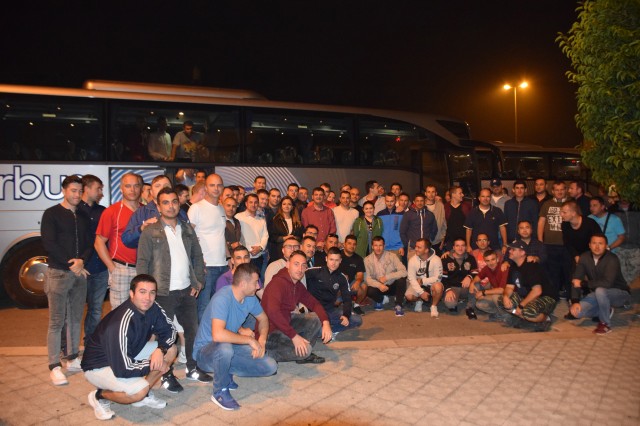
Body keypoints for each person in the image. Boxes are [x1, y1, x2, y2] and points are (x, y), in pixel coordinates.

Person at [136, 188, 212, 393]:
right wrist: (145, 291)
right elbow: (142, 262)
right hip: (162, 292)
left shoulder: (187, 229)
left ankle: (192, 368)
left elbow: (197, 256)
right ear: (158, 206)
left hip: (186, 290)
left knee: (192, 330)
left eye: (174, 202)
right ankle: (166, 375)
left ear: (179, 204)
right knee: (165, 335)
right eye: (166, 202)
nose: (171, 206)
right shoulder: (150, 231)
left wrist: (198, 282)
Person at [81, 274, 177, 420]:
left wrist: (161, 349)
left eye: (152, 292)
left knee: (171, 350)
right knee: (139, 391)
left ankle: (143, 395)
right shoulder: (121, 323)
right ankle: (99, 395)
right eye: (142, 292)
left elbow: (170, 330)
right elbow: (123, 369)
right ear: (131, 293)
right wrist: (154, 364)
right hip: (100, 366)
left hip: (128, 355)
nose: (147, 298)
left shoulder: (152, 307)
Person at [193, 263, 277, 410]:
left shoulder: (249, 297)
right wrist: (250, 340)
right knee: (225, 348)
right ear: (243, 284)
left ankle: (226, 372)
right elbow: (218, 335)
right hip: (205, 353)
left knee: (270, 366)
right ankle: (219, 391)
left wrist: (262, 340)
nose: (258, 286)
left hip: (228, 347)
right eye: (255, 282)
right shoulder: (222, 298)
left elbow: (263, 319)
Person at [41, 175, 92, 385]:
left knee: (75, 319)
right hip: (58, 273)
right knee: (56, 321)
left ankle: (72, 358)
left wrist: (82, 261)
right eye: (73, 190)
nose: (77, 195)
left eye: (80, 191)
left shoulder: (83, 215)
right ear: (64, 190)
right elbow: (49, 243)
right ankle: (54, 366)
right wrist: (72, 263)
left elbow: (89, 243)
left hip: (79, 274)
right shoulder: (51, 214)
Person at [261, 250, 332, 363]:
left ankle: (300, 350)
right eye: (296, 264)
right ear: (288, 264)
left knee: (316, 318)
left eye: (303, 265)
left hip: (286, 324)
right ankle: (268, 353)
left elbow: (314, 304)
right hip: (269, 333)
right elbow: (273, 312)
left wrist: (326, 322)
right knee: (306, 350)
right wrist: (294, 336)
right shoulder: (278, 283)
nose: (300, 269)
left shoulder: (296, 284)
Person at [95, 173, 143, 310]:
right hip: (122, 268)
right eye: (128, 186)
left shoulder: (146, 211)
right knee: (120, 313)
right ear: (121, 188)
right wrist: (113, 268)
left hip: (144, 268)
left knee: (143, 311)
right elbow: (99, 242)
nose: (132, 190)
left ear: (140, 188)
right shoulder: (112, 211)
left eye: (136, 186)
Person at [568, 234, 631, 334]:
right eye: (594, 243)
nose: (597, 247)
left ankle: (605, 324)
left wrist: (583, 284)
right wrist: (575, 301)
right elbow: (576, 280)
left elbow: (607, 283)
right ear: (589, 245)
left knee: (600, 290)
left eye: (600, 243)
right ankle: (606, 310)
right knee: (576, 312)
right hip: (598, 294)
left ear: (606, 246)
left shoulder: (612, 259)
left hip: (619, 294)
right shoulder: (584, 257)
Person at [188, 173, 229, 322]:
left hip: (223, 266)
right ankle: (201, 337)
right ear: (205, 187)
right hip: (206, 267)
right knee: (203, 307)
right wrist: (197, 262)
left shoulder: (221, 209)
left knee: (219, 305)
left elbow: (221, 235)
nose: (216, 188)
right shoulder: (196, 208)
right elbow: (188, 237)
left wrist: (229, 257)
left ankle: (215, 335)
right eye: (212, 185)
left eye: (219, 185)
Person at [498, 241, 558, 331]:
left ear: (522, 252)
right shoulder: (513, 266)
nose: (509, 251)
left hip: (545, 297)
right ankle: (524, 317)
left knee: (528, 312)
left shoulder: (531, 266)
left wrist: (521, 306)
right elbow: (509, 287)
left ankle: (546, 318)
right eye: (510, 249)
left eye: (513, 249)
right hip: (528, 297)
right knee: (502, 300)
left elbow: (537, 291)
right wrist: (506, 296)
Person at [77, 175, 108, 346]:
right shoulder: (75, 210)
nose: (101, 192)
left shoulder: (103, 211)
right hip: (80, 269)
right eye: (98, 189)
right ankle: (68, 347)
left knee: (96, 309)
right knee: (74, 309)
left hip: (100, 268)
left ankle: (90, 343)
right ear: (87, 189)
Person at [306, 247, 363, 338]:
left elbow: (347, 299)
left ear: (340, 261)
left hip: (330, 310)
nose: (333, 263)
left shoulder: (342, 278)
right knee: (314, 324)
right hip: (313, 311)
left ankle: (329, 331)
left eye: (336, 260)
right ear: (326, 259)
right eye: (331, 259)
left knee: (357, 320)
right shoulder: (314, 271)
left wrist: (346, 315)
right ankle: (323, 329)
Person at [122, 174, 175, 249]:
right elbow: (127, 240)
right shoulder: (141, 213)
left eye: (166, 185)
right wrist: (141, 229)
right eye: (158, 186)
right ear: (151, 192)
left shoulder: (180, 212)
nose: (162, 188)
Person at [538, 181, 571, 298]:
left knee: (568, 270)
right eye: (557, 190)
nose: (559, 192)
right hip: (549, 244)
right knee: (552, 271)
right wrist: (540, 241)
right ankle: (554, 295)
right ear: (552, 191)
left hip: (567, 244)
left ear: (565, 190)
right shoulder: (547, 204)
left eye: (562, 189)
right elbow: (541, 222)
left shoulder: (571, 204)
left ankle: (570, 295)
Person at [364, 236, 408, 316]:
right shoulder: (367, 260)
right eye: (376, 245)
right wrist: (379, 285)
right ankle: (381, 299)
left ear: (384, 246)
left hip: (391, 284)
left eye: (380, 245)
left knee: (401, 280)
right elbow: (368, 279)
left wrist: (387, 277)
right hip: (379, 287)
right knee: (369, 290)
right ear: (372, 246)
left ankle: (398, 304)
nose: (378, 248)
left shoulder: (392, 256)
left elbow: (404, 272)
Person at [440, 239, 478, 316]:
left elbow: (475, 272)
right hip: (453, 287)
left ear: (466, 247)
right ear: (453, 247)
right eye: (457, 246)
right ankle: (455, 299)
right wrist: (448, 290)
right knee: (450, 304)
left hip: (466, 287)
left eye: (462, 246)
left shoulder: (471, 258)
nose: (460, 248)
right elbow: (443, 277)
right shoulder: (446, 259)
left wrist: (469, 277)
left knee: (476, 285)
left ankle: (470, 307)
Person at [405, 239, 443, 316]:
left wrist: (423, 281)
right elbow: (411, 279)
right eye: (416, 246)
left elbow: (438, 278)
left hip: (431, 284)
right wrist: (421, 292)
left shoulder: (437, 259)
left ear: (426, 250)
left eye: (419, 247)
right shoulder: (412, 260)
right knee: (409, 296)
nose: (416, 249)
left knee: (438, 287)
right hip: (418, 284)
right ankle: (419, 300)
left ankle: (433, 306)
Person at [464, 188, 508, 254]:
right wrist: (468, 245)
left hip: (494, 247)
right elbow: (468, 230)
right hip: (476, 248)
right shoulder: (472, 212)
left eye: (488, 196)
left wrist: (504, 245)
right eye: (483, 196)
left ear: (490, 198)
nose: (485, 199)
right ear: (479, 198)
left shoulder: (497, 211)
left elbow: (502, 228)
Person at [235, 193, 269, 277]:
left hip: (258, 256)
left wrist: (260, 247)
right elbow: (236, 236)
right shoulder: (238, 217)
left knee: (257, 280)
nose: (253, 205)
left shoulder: (261, 219)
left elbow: (265, 236)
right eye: (251, 202)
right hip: (243, 258)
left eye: (256, 202)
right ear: (246, 204)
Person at [560, 200, 601, 265]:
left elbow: (599, 240)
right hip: (574, 255)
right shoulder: (565, 224)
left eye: (564, 212)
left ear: (573, 213)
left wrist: (587, 257)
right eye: (561, 212)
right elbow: (567, 243)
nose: (561, 215)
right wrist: (575, 255)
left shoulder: (590, 223)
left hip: (592, 255)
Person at [471, 250, 510, 318]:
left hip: (508, 294)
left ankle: (507, 316)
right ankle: (499, 312)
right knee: (479, 304)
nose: (491, 263)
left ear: (497, 259)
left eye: (493, 259)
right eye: (488, 261)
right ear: (485, 261)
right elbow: (478, 277)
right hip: (496, 293)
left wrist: (483, 293)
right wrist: (472, 283)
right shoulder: (487, 268)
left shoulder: (503, 268)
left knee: (495, 297)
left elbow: (501, 290)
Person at [400, 193, 437, 261]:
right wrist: (407, 243)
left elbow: (434, 229)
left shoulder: (430, 214)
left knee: (425, 267)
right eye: (417, 201)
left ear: (425, 201)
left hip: (426, 249)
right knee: (412, 267)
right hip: (413, 248)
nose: (419, 203)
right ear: (414, 202)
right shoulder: (408, 214)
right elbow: (402, 231)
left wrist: (430, 240)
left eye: (421, 201)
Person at [268, 195, 303, 262]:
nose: (286, 206)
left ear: (292, 207)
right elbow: (271, 237)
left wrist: (294, 238)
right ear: (281, 206)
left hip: (294, 252)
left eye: (289, 204)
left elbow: (301, 237)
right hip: (279, 252)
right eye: (284, 204)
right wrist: (284, 238)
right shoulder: (275, 220)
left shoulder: (297, 221)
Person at [339, 234, 367, 315]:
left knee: (364, 286)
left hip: (351, 283)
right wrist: (341, 277)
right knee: (335, 304)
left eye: (354, 244)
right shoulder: (338, 255)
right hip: (338, 283)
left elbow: (360, 274)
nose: (352, 246)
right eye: (349, 243)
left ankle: (356, 305)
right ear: (344, 244)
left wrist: (358, 281)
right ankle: (342, 302)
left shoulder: (358, 259)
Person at [443, 185, 472, 251]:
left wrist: (468, 244)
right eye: (460, 193)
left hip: (465, 241)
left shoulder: (467, 206)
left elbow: (470, 225)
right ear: (453, 195)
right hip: (450, 242)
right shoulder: (445, 207)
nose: (462, 195)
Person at [378, 192, 405, 259]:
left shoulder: (401, 213)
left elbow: (404, 230)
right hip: (383, 247)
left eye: (392, 201)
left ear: (395, 201)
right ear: (385, 201)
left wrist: (401, 245)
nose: (389, 203)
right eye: (387, 201)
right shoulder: (380, 214)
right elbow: (378, 231)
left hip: (397, 248)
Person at [424, 185, 447, 251]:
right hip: (424, 241)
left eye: (433, 192)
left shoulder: (440, 205)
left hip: (437, 241)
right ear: (425, 193)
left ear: (436, 193)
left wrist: (442, 240)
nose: (431, 194)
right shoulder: (421, 206)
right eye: (428, 192)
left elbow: (444, 224)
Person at [222, 196, 242, 261]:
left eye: (234, 206)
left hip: (235, 257)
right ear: (223, 206)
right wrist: (230, 245)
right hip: (223, 258)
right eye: (228, 205)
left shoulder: (237, 221)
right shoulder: (218, 221)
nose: (231, 208)